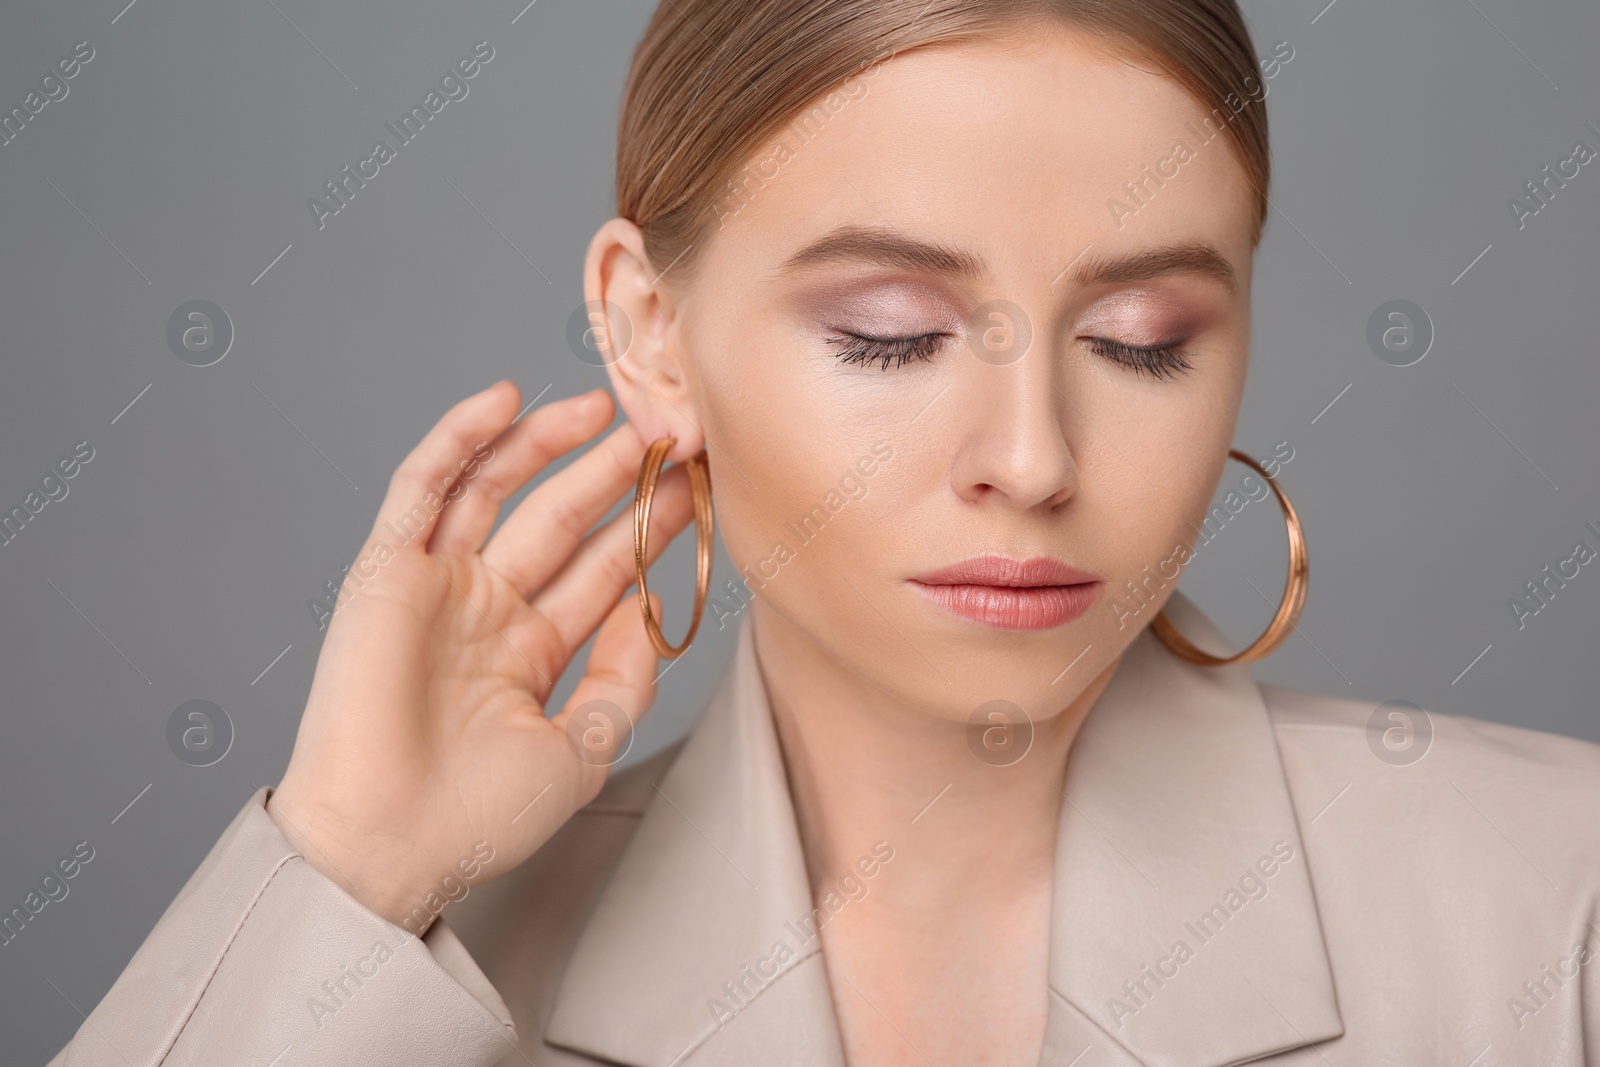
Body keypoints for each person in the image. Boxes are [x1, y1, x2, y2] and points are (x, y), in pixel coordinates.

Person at [50, 1, 1600, 1065]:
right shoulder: (419, 973)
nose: (1031, 459)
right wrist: (339, 876)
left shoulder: (1558, 902)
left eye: (1140, 337)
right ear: (649, 331)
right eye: (887, 332)